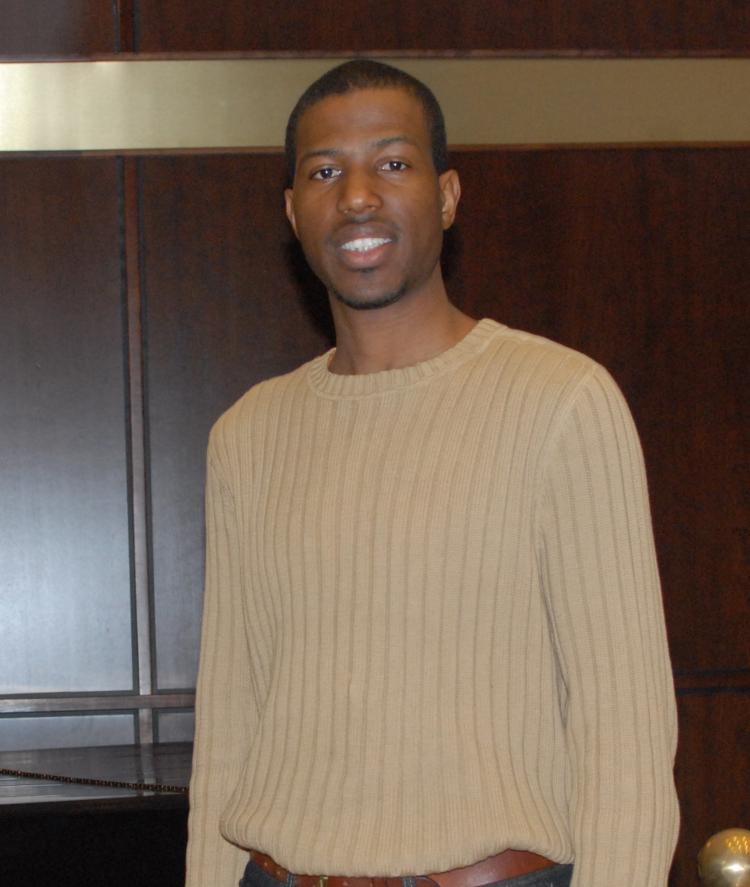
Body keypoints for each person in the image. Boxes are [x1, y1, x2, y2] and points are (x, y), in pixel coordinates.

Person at [185, 60, 679, 887]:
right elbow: (229, 724)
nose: (357, 197)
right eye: (325, 172)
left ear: (447, 195)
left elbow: (624, 727)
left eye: (393, 163)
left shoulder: (561, 400)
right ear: (293, 211)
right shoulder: (247, 435)